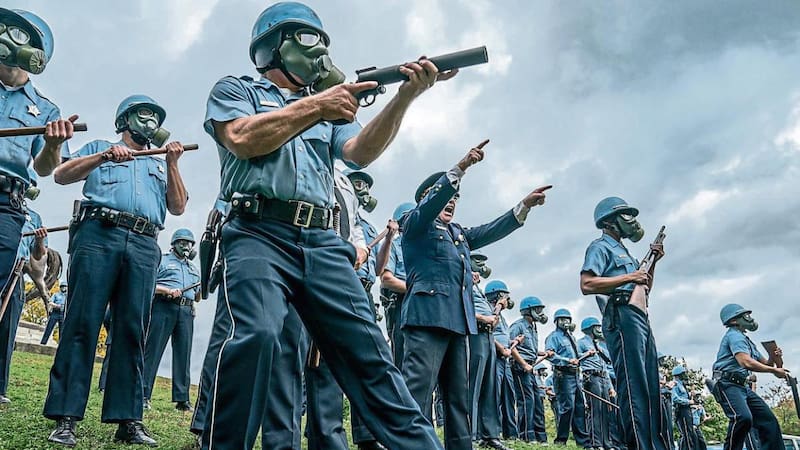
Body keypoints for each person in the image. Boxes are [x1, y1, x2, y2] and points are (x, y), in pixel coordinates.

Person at [199, 2, 458, 447]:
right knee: (257, 335)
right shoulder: (237, 89)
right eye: (307, 38)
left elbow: (360, 151)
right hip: (257, 231)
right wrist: (319, 105)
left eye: (322, 41)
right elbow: (242, 138)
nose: (319, 50)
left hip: (321, 239)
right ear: (272, 46)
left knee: (369, 351)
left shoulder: (328, 107)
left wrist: (405, 96)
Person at [44, 94, 188, 447]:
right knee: (82, 322)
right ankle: (66, 417)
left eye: (156, 117)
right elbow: (61, 174)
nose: (150, 122)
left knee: (133, 329)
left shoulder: (158, 162)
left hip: (144, 243)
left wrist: (172, 163)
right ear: (125, 120)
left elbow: (178, 207)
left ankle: (128, 420)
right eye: (144, 114)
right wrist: (104, 157)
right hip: (99, 234)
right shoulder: (99, 147)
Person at [400, 140, 552, 450]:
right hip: (427, 318)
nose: (452, 202)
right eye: (447, 196)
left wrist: (523, 206)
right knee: (417, 394)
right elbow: (430, 204)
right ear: (429, 199)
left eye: (456, 198)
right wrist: (461, 168)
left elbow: (490, 230)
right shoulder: (415, 224)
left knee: (460, 400)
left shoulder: (458, 234)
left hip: (459, 324)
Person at [0, 7, 74, 403]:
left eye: (15, 32)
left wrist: (54, 144)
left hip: (5, 203)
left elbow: (46, 169)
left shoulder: (45, 110)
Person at [580, 196, 668, 450]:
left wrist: (653, 262)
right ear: (609, 221)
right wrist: (631, 276)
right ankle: (637, 444)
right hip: (620, 315)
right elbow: (587, 284)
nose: (632, 221)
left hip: (639, 315)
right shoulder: (600, 247)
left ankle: (654, 444)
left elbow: (645, 286)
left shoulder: (625, 252)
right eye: (626, 215)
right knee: (633, 383)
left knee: (650, 383)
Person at [711, 304, 787, 450]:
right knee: (743, 417)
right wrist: (773, 370)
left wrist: (773, 356)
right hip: (727, 384)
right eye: (746, 316)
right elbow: (745, 362)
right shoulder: (734, 336)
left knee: (769, 421)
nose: (750, 319)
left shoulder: (747, 341)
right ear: (734, 320)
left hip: (742, 386)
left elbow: (767, 363)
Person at [142, 228, 201, 412]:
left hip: (186, 311)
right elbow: (149, 283)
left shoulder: (194, 268)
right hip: (164, 306)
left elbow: (198, 295)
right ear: (174, 244)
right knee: (153, 350)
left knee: (184, 353)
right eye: (182, 242)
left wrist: (204, 287)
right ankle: (143, 394)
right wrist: (166, 290)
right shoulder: (162, 260)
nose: (186, 246)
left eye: (189, 243)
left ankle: (182, 399)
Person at [0, 208, 46, 404]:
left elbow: (38, 259)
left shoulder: (34, 217)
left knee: (7, 333)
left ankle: (0, 389)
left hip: (17, 272)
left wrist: (39, 241)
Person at [467, 267, 510, 450]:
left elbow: (492, 318)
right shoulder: (463, 285)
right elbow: (460, 308)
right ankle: (469, 435)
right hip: (474, 334)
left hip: (488, 336)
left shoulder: (478, 291)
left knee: (489, 387)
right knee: (473, 386)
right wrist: (484, 318)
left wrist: (497, 310)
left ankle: (490, 435)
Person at [376, 202, 415, 365]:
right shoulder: (394, 246)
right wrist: (417, 289)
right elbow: (386, 279)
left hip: (425, 306)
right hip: (402, 304)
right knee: (402, 356)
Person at [545, 309, 590, 448]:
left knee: (579, 407)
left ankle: (583, 442)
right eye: (562, 319)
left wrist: (585, 355)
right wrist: (567, 360)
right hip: (562, 375)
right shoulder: (553, 337)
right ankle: (561, 440)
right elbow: (550, 355)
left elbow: (575, 356)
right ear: (556, 322)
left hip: (575, 375)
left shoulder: (572, 337)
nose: (566, 322)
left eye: (567, 319)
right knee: (567, 407)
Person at [509, 295, 550, 444]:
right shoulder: (518, 326)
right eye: (537, 310)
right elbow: (511, 347)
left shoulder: (533, 327)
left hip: (531, 367)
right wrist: (524, 364)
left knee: (537, 400)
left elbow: (528, 349)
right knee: (527, 400)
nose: (540, 313)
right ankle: (526, 435)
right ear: (528, 310)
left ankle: (540, 437)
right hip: (520, 367)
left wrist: (542, 353)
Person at [487, 280, 518, 441]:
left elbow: (502, 336)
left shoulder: (503, 318)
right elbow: (488, 334)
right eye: (505, 295)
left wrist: (512, 343)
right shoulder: (489, 310)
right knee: (494, 394)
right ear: (497, 295)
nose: (507, 299)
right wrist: (501, 349)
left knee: (509, 396)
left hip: (505, 360)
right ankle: (494, 432)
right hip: (495, 357)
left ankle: (511, 434)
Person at [577, 316, 614, 450]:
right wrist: (587, 354)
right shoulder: (581, 343)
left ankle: (607, 443)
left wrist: (610, 387)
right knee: (595, 410)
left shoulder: (599, 345)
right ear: (590, 329)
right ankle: (596, 443)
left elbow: (605, 366)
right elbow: (575, 359)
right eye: (597, 327)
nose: (599, 330)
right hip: (591, 377)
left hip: (603, 378)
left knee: (605, 411)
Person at [672, 366, 699, 450]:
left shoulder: (683, 385)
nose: (685, 375)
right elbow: (675, 398)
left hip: (687, 410)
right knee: (686, 433)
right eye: (683, 373)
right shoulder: (675, 384)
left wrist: (691, 395)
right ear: (678, 375)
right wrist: (688, 402)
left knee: (690, 433)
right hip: (681, 411)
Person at [40, 280, 67, 345]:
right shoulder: (56, 294)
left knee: (62, 330)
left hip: (63, 314)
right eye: (62, 286)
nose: (64, 288)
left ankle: (60, 345)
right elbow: (50, 302)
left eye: (65, 286)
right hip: (55, 313)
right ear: (60, 287)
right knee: (49, 328)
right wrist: (57, 306)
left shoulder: (67, 296)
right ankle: (43, 343)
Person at [658, 353, 676, 450]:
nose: (662, 361)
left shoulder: (661, 373)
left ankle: (670, 446)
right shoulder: (653, 371)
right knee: (664, 425)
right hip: (661, 398)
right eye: (661, 359)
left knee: (669, 426)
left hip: (667, 398)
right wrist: (665, 383)